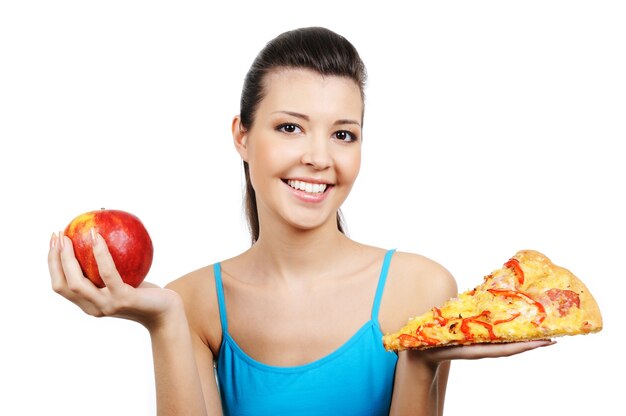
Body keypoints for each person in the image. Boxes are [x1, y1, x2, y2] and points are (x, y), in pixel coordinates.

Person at [48, 27, 553, 416]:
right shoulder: (193, 303)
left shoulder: (420, 288)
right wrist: (162, 320)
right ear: (242, 136)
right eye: (290, 127)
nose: (318, 157)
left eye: (343, 134)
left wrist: (420, 361)